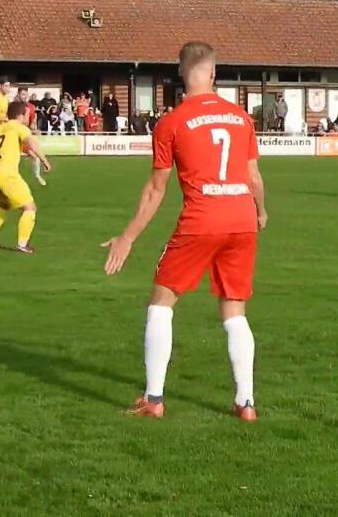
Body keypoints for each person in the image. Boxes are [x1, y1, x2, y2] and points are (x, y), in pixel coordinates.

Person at [102, 41, 267, 422]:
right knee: (234, 309)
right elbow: (254, 176)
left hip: (201, 219)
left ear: (182, 74)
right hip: (241, 217)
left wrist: (127, 237)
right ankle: (246, 403)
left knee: (161, 303)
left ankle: (154, 399)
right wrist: (260, 212)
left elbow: (156, 189)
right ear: (212, 73)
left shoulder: (172, 122)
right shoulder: (241, 118)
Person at [0, 101, 51, 253]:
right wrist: (43, 159)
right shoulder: (19, 127)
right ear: (19, 116)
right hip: (7, 174)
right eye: (27, 115)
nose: (28, 117)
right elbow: (31, 142)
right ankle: (22, 244)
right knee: (30, 207)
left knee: (3, 205)